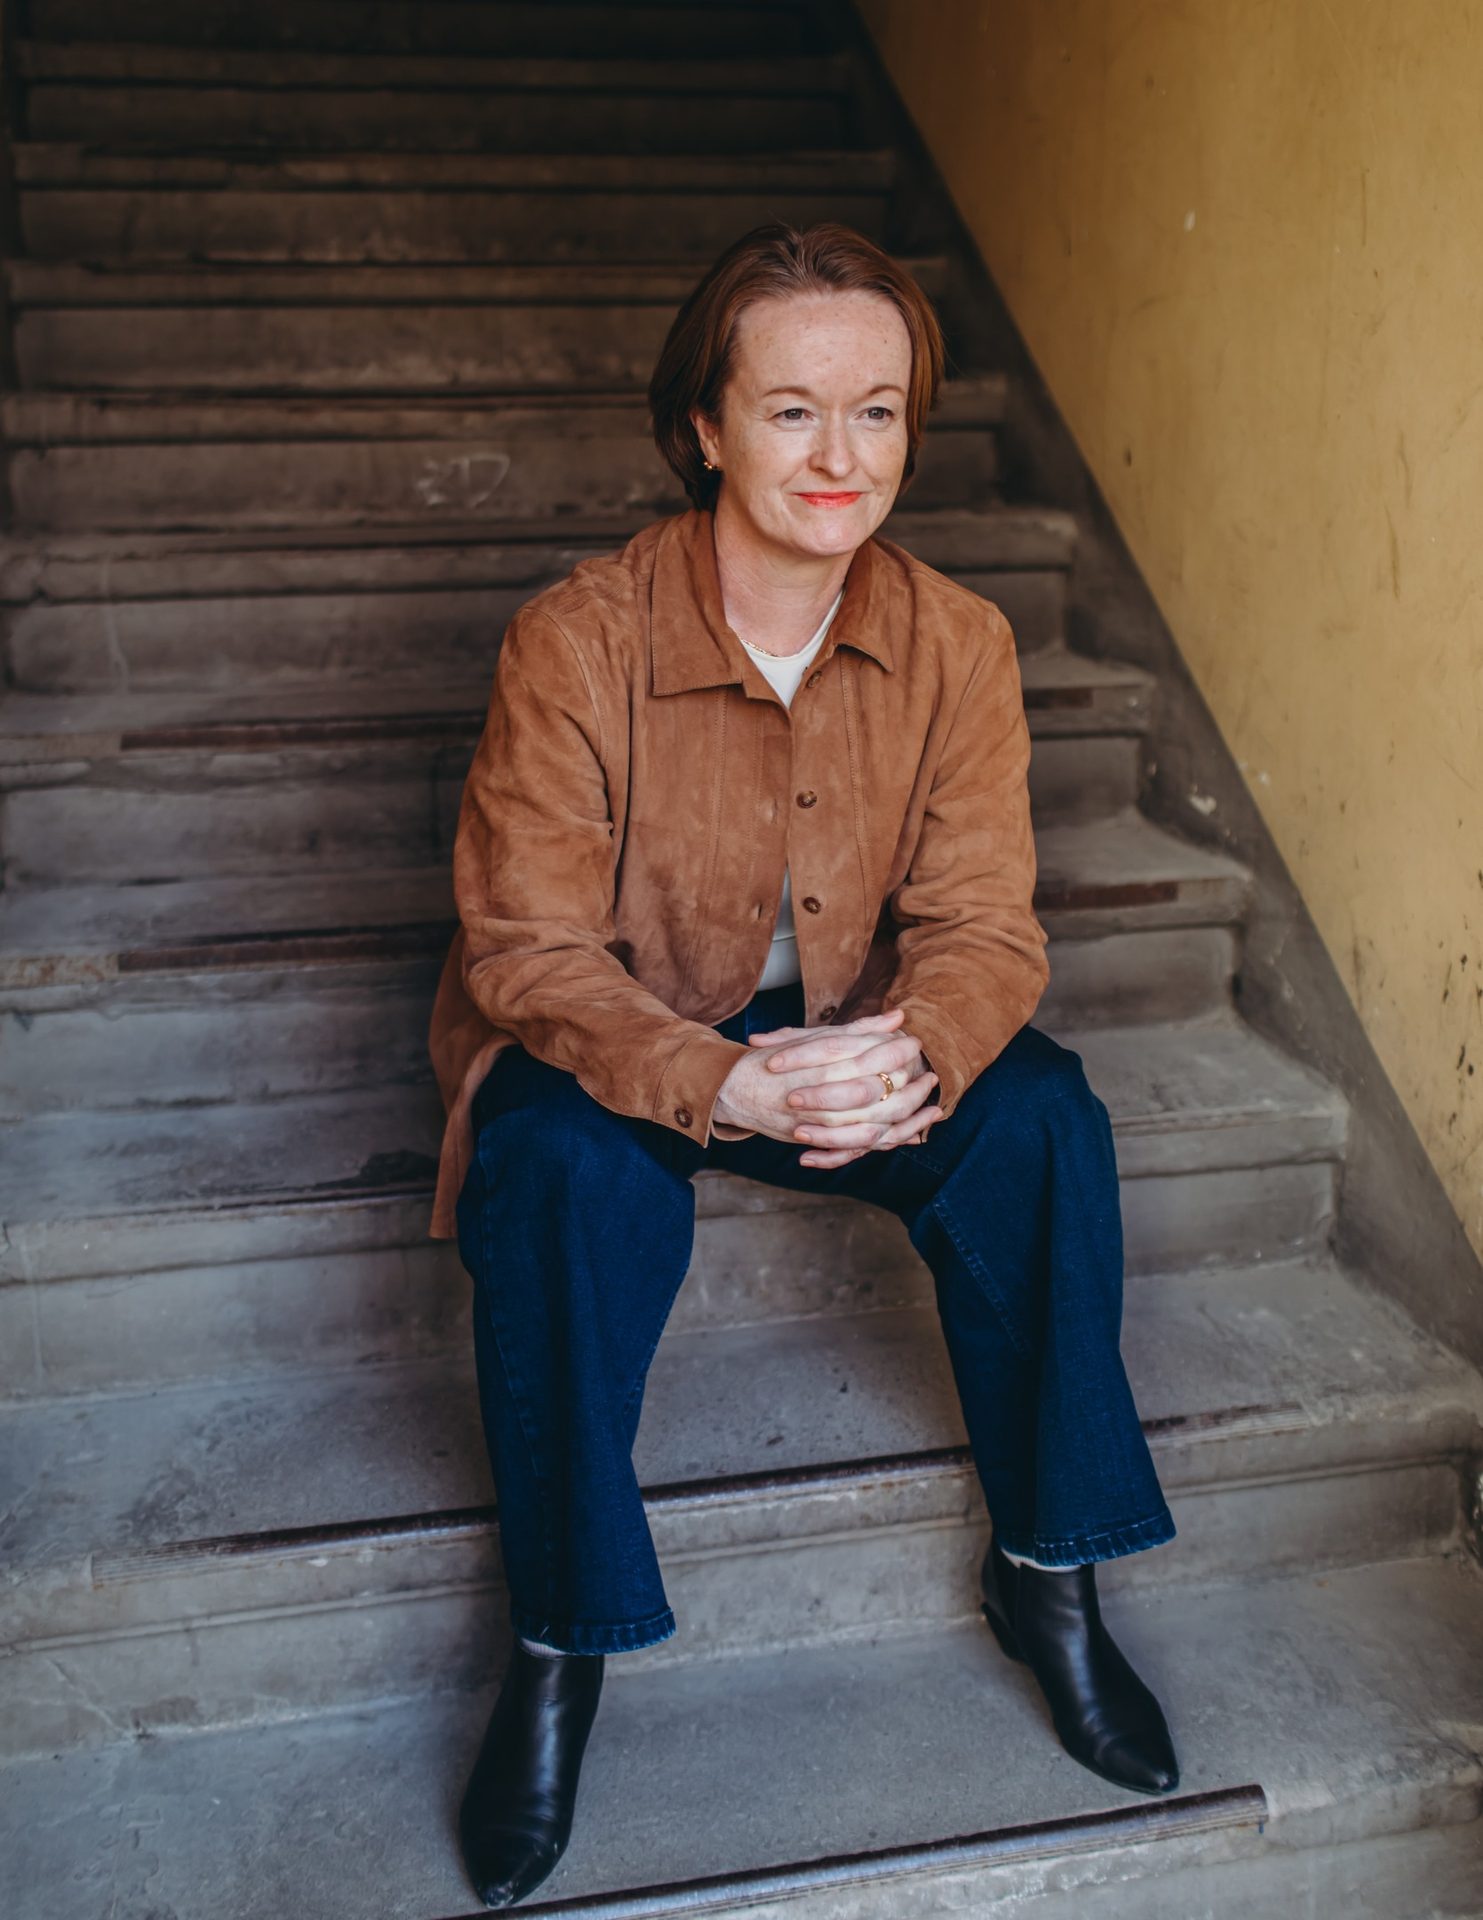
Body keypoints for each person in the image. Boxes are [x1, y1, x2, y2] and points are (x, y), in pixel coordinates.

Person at [426, 221, 1179, 1911]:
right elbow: (529, 951)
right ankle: (561, 1644)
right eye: (789, 413)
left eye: (879, 413)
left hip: (848, 1036)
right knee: (550, 1170)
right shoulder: (579, 638)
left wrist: (896, 1057)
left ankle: (1048, 1572)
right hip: (624, 1037)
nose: (841, 459)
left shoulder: (959, 643)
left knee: (1042, 1115)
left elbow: (988, 924)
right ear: (705, 425)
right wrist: (727, 1083)